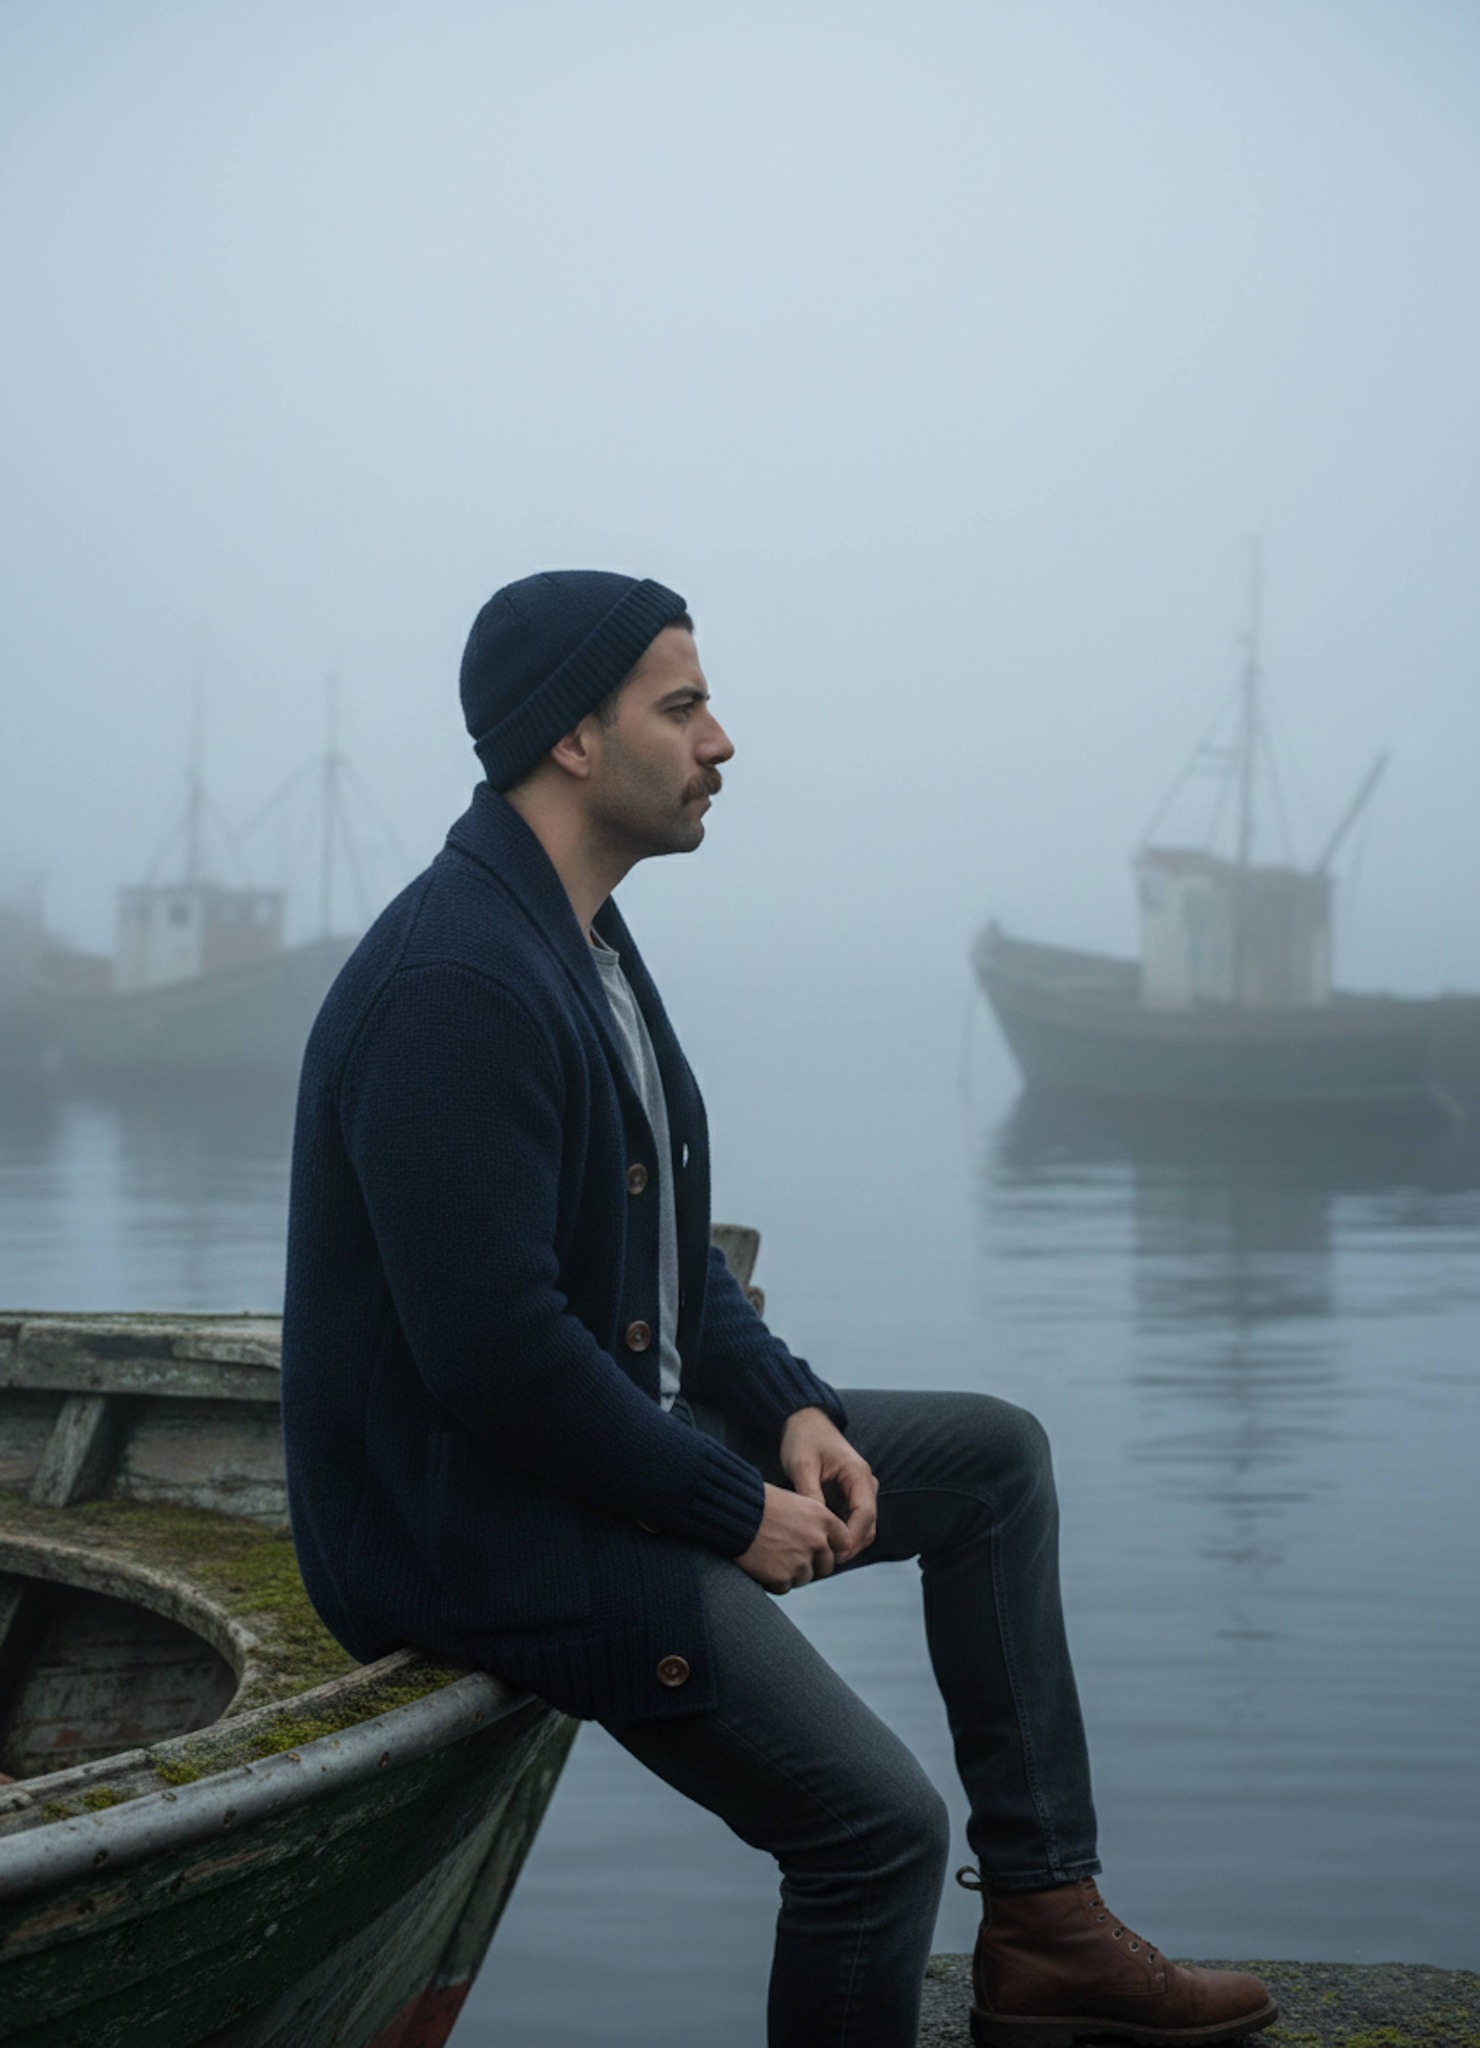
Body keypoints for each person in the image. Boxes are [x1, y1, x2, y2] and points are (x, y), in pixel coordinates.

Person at [281, 570, 1277, 2048]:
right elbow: (492, 1356)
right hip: (477, 1524)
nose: (721, 742)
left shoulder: (585, 941)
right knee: (874, 1830)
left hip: (611, 1448)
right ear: (571, 738)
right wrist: (723, 1506)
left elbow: (675, 1269)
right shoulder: (458, 983)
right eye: (682, 708)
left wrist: (789, 1409)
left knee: (993, 1463)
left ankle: (1049, 1925)